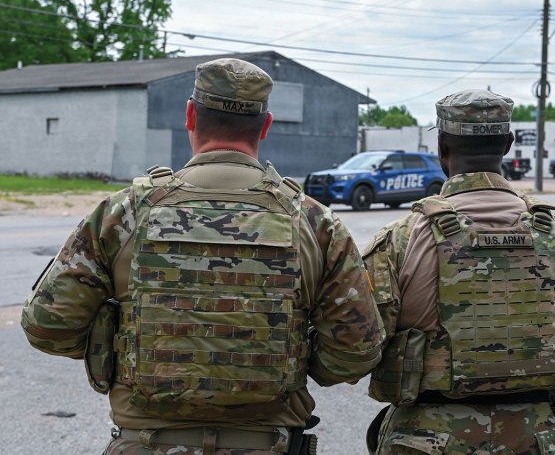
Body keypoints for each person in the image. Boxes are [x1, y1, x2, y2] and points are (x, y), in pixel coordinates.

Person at [21, 58, 384, 455]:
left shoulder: (123, 214)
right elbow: (356, 351)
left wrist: (122, 348)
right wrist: (286, 361)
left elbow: (47, 327)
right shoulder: (316, 223)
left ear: (190, 115)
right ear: (265, 124)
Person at [362, 89, 555, 454]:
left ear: (442, 146)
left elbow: (352, 350)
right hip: (536, 438)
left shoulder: (399, 241)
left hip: (423, 439)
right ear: (507, 144)